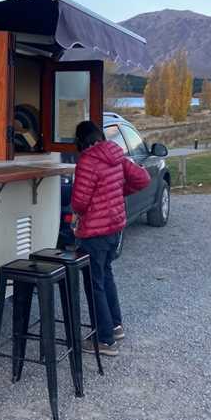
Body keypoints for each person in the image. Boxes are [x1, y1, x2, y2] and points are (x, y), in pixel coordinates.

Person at [70, 120, 150, 357]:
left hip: (94, 232)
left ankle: (105, 340)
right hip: (114, 229)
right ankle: (115, 327)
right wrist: (116, 192)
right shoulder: (117, 155)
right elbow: (142, 179)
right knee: (106, 277)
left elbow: (79, 203)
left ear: (81, 140)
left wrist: (105, 196)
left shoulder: (87, 161)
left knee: (94, 284)